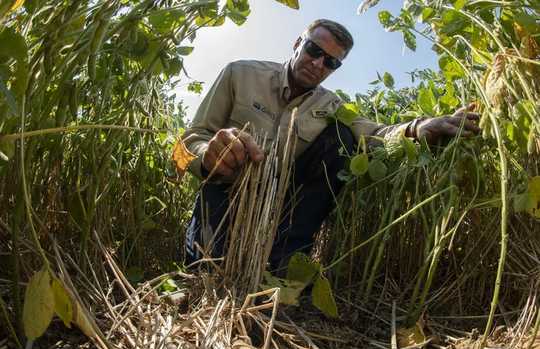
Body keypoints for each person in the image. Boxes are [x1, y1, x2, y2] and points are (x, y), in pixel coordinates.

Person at [181, 19, 479, 270]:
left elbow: (374, 134)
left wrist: (419, 128)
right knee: (205, 270)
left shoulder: (332, 106)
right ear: (298, 43)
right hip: (224, 193)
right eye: (314, 50)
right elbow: (187, 143)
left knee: (343, 138)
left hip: (283, 207)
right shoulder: (240, 74)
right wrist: (208, 155)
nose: (318, 63)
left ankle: (286, 258)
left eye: (330, 62)